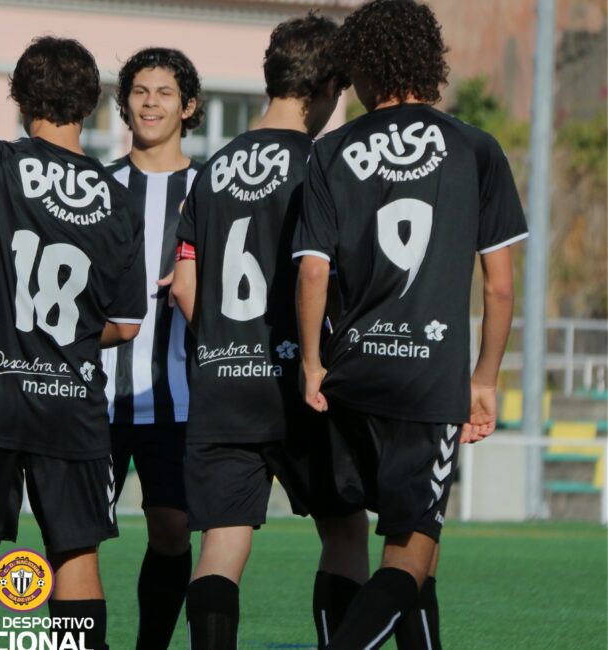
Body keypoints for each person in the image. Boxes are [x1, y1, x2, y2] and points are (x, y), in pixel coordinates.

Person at [293, 1, 527, 647]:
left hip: (351, 374)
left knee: (345, 539)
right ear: (430, 60)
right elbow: (500, 285)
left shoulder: (332, 150)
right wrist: (484, 379)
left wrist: (314, 363)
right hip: (427, 384)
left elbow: (313, 274)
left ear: (364, 68)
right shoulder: (475, 148)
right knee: (412, 551)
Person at [0, 36, 146, 649]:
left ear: (19, 98)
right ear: (91, 104)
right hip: (72, 403)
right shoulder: (119, 200)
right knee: (75, 554)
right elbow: (127, 324)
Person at [170, 15, 368, 649]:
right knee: (344, 532)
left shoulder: (213, 167)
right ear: (327, 87)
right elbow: (329, 273)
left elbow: (182, 283)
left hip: (223, 381)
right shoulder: (324, 161)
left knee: (222, 547)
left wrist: (223, 342)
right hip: (302, 381)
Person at [100, 46, 203, 650]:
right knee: (77, 538)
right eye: (140, 91)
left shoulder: (209, 186)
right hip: (96, 399)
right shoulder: (98, 184)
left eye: (165, 92)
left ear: (188, 106)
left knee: (171, 530)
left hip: (179, 402)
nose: (150, 103)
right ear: (123, 103)